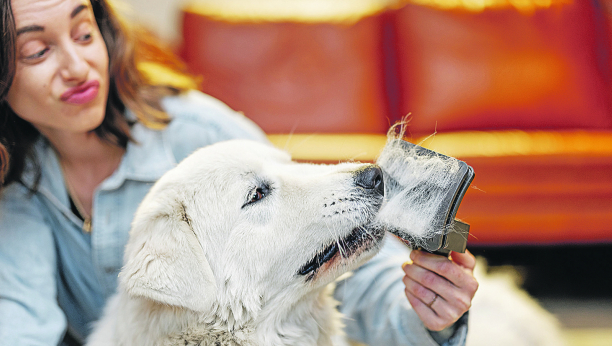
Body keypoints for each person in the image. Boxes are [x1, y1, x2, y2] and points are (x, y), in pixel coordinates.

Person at [0, 0, 479, 345]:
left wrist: (429, 316)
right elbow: (17, 323)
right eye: (37, 52)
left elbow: (369, 278)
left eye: (84, 34)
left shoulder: (201, 132)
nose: (78, 65)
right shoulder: (15, 187)